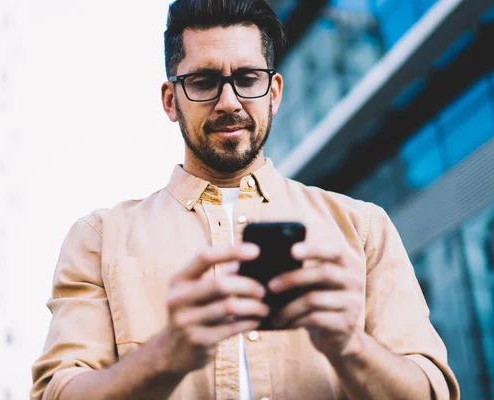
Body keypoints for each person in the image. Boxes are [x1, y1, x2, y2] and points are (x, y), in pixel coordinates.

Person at [31, 1, 460, 399]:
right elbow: (58, 392)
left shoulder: (363, 227)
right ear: (170, 101)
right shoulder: (99, 239)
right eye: (203, 81)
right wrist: (167, 354)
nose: (229, 102)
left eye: (247, 79)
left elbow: (431, 390)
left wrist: (350, 345)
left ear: (274, 92)